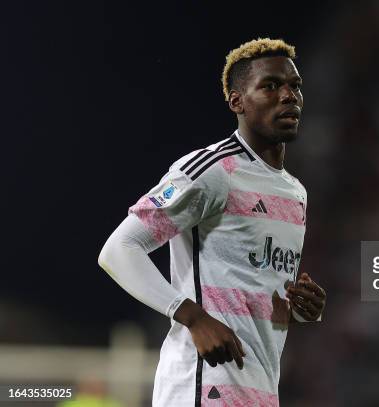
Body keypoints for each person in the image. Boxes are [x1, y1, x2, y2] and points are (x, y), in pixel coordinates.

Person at [98, 38, 326, 406]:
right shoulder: (212, 170)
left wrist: (300, 311)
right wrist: (194, 317)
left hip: (260, 391)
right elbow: (119, 249)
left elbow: (252, 294)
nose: (289, 96)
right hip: (201, 386)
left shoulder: (295, 193)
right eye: (270, 86)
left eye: (294, 86)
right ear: (237, 101)